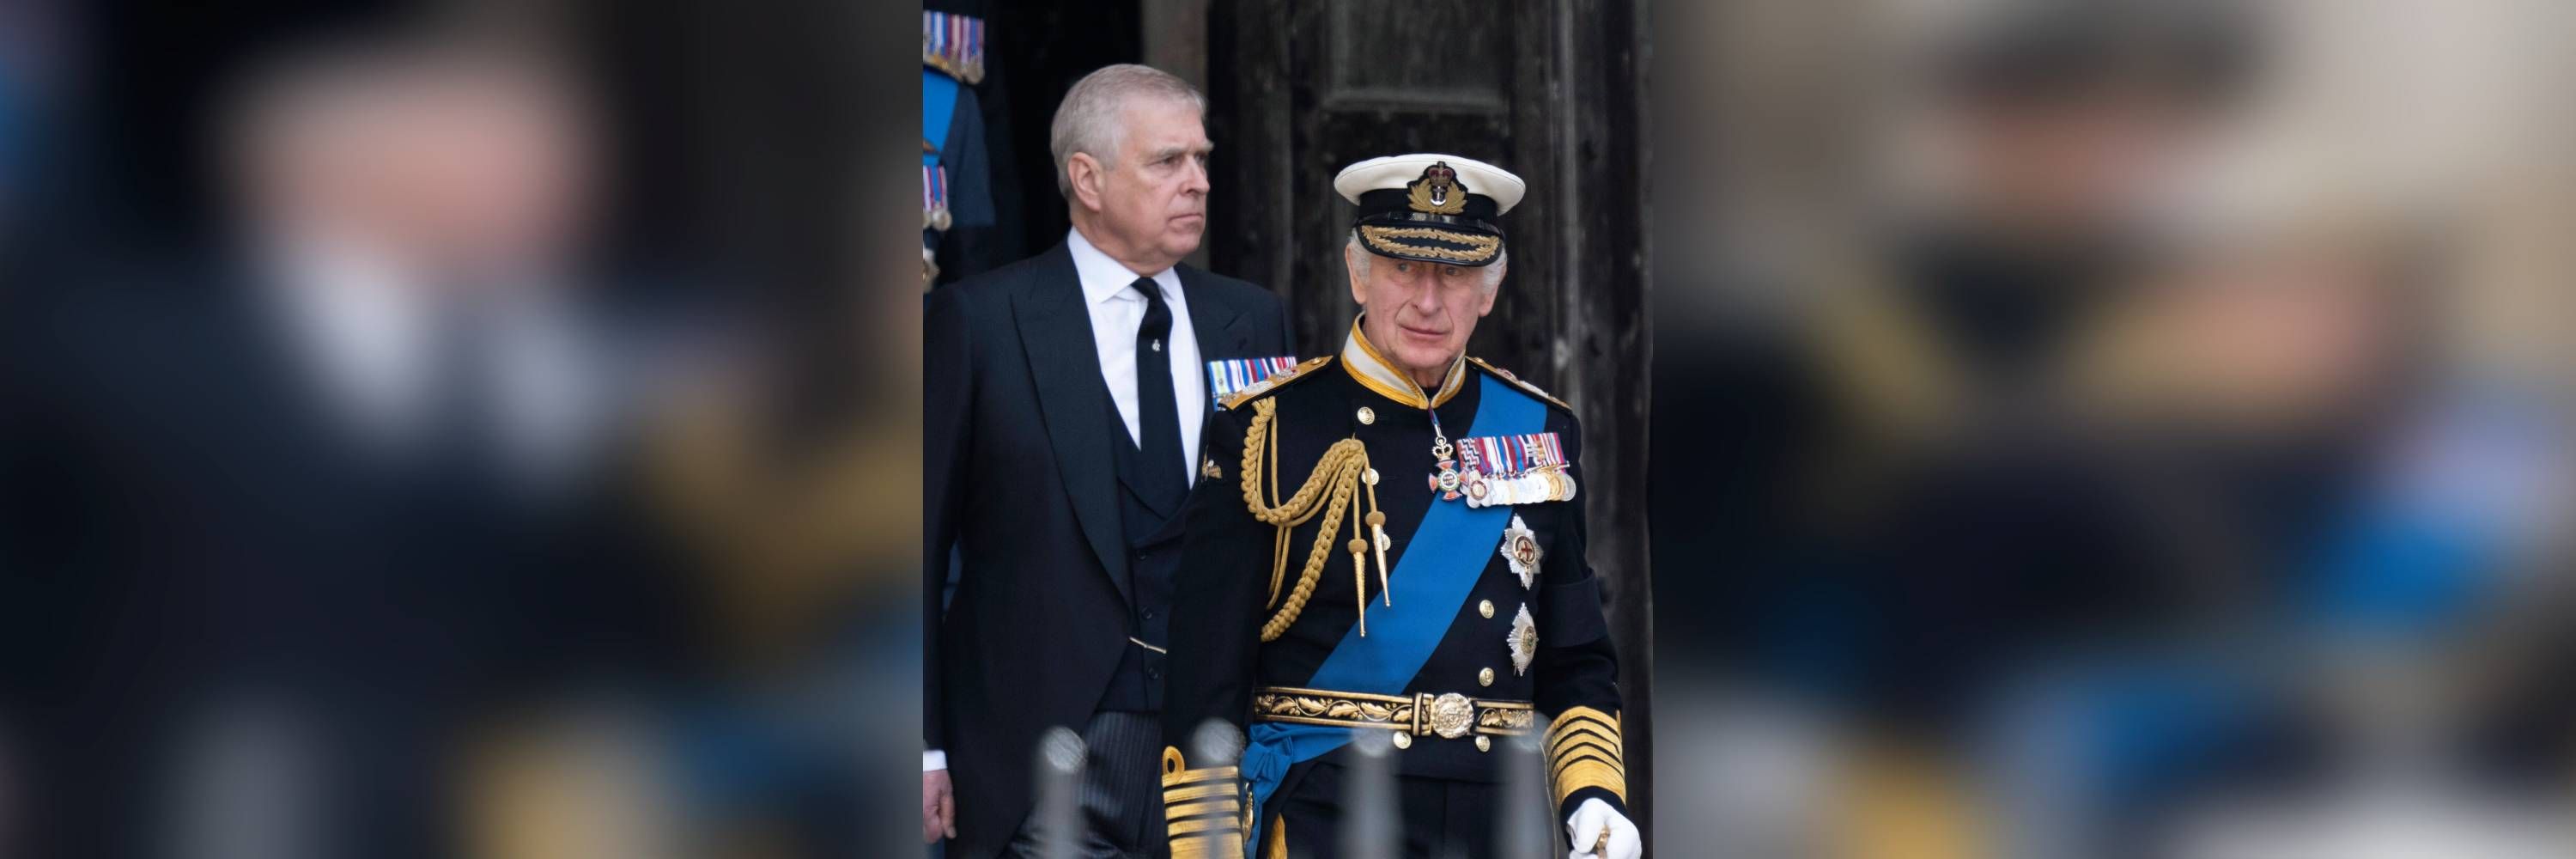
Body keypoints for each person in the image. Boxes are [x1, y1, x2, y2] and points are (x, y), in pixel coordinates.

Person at [1157, 154, 1641, 859]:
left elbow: (1576, 658)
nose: (1428, 302)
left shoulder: (1537, 431)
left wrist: (1593, 793)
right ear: (1358, 275)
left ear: (1490, 290)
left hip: (1494, 823)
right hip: (1328, 815)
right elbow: (1205, 680)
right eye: (1403, 270)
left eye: (1454, 275)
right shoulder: (1269, 429)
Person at [923, 64, 1297, 858]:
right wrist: (921, 746)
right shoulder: (982, 322)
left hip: (1213, 759)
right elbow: (912, 552)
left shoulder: (1253, 320)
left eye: (1201, 160)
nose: (1196, 182)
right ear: (1086, 180)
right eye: (1168, 162)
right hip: (1037, 763)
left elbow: (1285, 537)